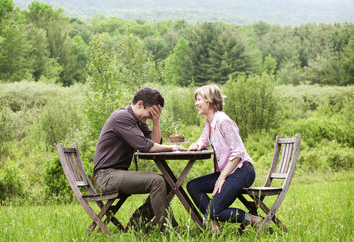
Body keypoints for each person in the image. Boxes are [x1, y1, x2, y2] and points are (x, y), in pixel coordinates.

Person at [93, 87, 186, 232]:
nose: (149, 117)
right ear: (140, 104)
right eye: (151, 113)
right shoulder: (122, 117)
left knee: (168, 180)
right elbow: (145, 146)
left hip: (115, 174)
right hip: (106, 177)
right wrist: (174, 148)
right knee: (157, 181)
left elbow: (154, 143)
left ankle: (135, 225)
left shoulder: (137, 120)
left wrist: (156, 122)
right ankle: (170, 230)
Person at [187, 84, 263, 234]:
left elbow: (239, 151)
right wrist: (197, 144)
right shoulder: (210, 121)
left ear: (209, 100)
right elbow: (204, 140)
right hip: (229, 172)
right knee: (193, 186)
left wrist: (222, 177)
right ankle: (214, 226)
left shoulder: (223, 121)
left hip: (242, 170)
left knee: (215, 211)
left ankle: (254, 220)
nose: (196, 103)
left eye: (199, 99)